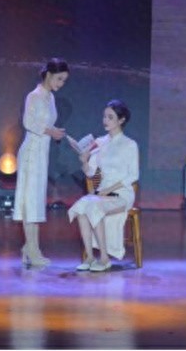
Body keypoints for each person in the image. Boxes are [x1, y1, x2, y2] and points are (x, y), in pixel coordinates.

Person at [68, 99, 139, 272]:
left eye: (110, 117)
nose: (105, 120)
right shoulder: (99, 142)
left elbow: (133, 175)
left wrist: (108, 190)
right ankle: (90, 257)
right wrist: (84, 161)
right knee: (82, 208)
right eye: (104, 116)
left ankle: (105, 258)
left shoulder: (130, 144)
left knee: (93, 206)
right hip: (102, 194)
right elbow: (91, 173)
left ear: (121, 120)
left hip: (121, 194)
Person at [13, 58, 69, 266]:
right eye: (59, 79)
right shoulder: (34, 96)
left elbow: (45, 124)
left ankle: (30, 247)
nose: (61, 84)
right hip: (31, 152)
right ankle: (32, 249)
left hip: (41, 153)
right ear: (49, 75)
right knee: (30, 201)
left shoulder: (50, 97)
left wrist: (54, 132)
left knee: (36, 201)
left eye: (64, 80)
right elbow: (28, 122)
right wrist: (50, 131)